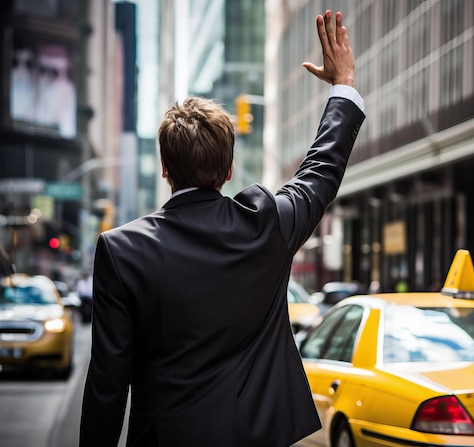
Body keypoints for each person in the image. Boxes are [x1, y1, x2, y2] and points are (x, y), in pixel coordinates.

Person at [80, 10, 365, 447]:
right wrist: (343, 84)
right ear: (229, 169)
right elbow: (320, 171)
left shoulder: (121, 251)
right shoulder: (266, 224)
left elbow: (107, 383)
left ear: (164, 168)